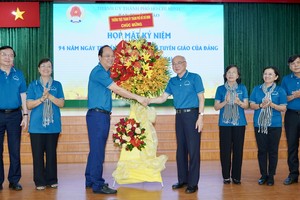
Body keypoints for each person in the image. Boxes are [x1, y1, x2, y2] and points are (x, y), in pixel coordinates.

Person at [85, 45, 147, 194]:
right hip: (98, 116)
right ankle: (98, 185)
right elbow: (117, 89)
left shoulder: (106, 73)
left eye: (112, 56)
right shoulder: (99, 72)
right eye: (107, 56)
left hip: (100, 116)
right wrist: (138, 97)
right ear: (99, 58)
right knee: (98, 151)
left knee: (95, 150)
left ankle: (90, 179)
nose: (111, 58)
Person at [148, 55, 204, 194]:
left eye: (179, 63)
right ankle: (183, 180)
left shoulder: (194, 77)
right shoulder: (172, 81)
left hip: (192, 115)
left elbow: (201, 98)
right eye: (173, 64)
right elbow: (162, 98)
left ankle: (193, 183)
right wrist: (148, 100)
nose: (176, 66)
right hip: (179, 116)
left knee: (193, 150)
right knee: (181, 150)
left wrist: (201, 117)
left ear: (185, 63)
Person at [26, 58, 64, 190]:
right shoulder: (33, 85)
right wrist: (42, 99)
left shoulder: (57, 85)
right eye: (43, 66)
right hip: (36, 127)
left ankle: (52, 179)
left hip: (53, 126)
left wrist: (50, 96)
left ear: (52, 69)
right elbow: (29, 104)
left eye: (48, 66)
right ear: (38, 69)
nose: (46, 68)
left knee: (51, 154)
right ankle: (39, 181)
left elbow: (61, 103)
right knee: (37, 155)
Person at [249, 66, 287, 186]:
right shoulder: (257, 89)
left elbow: (283, 107)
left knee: (273, 151)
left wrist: (272, 104)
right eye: (265, 74)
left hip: (275, 125)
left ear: (276, 77)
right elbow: (252, 105)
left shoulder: (280, 90)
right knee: (262, 150)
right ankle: (263, 175)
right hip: (260, 125)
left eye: (270, 74)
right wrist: (261, 105)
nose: (267, 76)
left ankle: (271, 176)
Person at [214, 65, 248, 185]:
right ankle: (226, 176)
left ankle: (237, 176)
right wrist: (226, 101)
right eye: (229, 72)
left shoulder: (242, 88)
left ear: (238, 76)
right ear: (225, 75)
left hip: (239, 123)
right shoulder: (220, 89)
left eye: (234, 72)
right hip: (225, 124)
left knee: (238, 150)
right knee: (225, 151)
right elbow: (216, 107)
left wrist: (239, 102)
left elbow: (246, 105)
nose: (231, 74)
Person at [0, 46, 28, 191]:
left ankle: (14, 180)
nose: (7, 57)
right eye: (4, 54)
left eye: (10, 55)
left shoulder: (19, 74)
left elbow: (23, 95)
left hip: (15, 115)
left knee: (14, 150)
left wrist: (25, 114)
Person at [281, 55, 300, 185]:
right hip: (292, 116)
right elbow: (283, 99)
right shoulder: (286, 80)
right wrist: (295, 95)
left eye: (298, 62)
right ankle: (293, 174)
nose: (296, 65)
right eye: (292, 63)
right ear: (289, 66)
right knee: (292, 145)